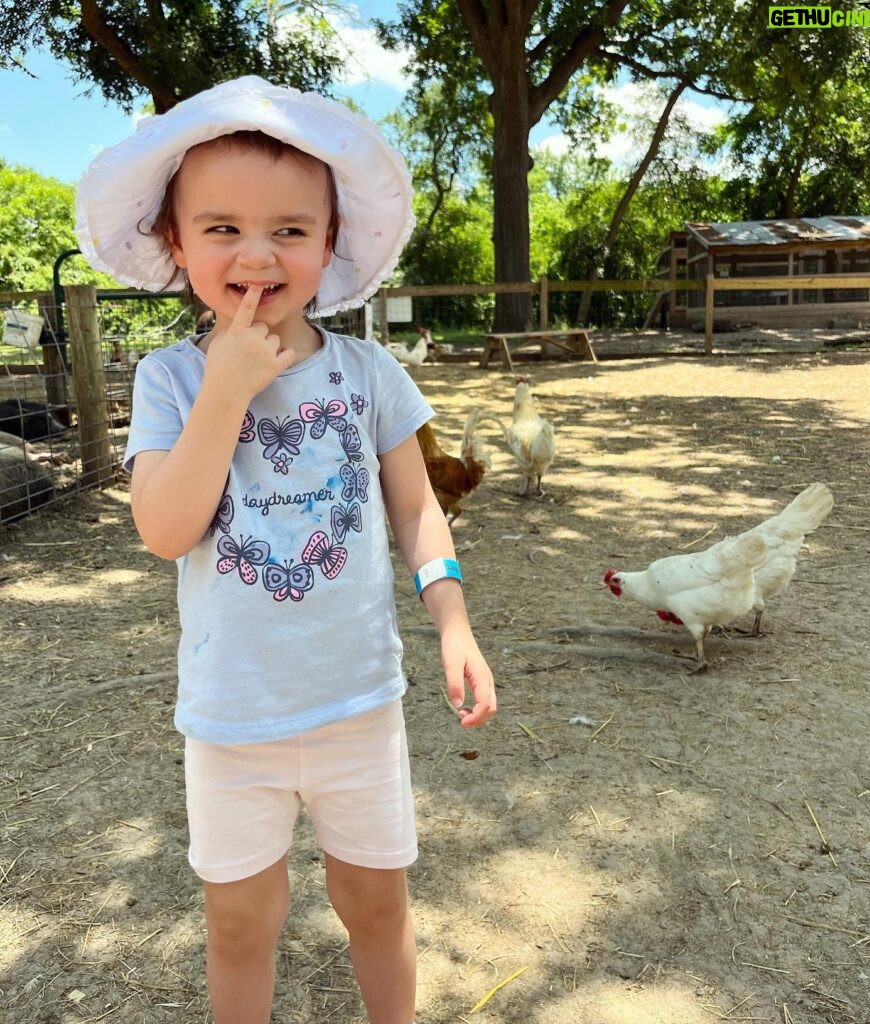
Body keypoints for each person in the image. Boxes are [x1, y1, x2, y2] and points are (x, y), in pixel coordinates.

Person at [75, 76, 495, 1024]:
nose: (256, 253)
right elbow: (163, 528)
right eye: (220, 227)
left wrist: (453, 621)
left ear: (329, 244)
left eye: (290, 231)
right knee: (239, 924)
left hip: (357, 705)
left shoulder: (368, 372)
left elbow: (419, 511)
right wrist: (226, 390)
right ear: (174, 243)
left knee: (377, 905)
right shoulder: (170, 380)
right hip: (233, 722)